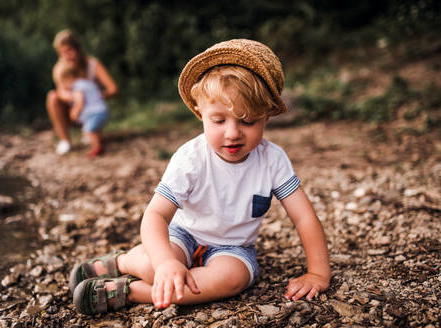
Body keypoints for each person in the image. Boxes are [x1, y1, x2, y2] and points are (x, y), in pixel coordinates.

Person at [69, 39, 331, 315]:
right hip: (184, 234)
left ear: (266, 117)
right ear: (200, 112)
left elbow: (304, 217)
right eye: (219, 121)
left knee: (232, 279)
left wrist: (317, 273)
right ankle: (121, 263)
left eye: (248, 121)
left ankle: (129, 292)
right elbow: (155, 216)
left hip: (232, 247)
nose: (232, 133)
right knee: (152, 264)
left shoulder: (272, 160)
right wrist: (167, 263)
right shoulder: (191, 158)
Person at [47, 29, 118, 155]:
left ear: (78, 48)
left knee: (93, 127)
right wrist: (76, 98)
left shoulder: (92, 64)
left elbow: (113, 89)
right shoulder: (60, 69)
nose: (67, 56)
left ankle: (92, 135)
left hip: (92, 111)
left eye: (69, 50)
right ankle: (65, 141)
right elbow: (60, 92)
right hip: (73, 113)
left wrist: (96, 95)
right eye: (62, 53)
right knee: (52, 97)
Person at [58, 64, 109, 157]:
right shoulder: (88, 83)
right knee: (95, 129)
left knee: (88, 130)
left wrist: (75, 112)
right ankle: (100, 142)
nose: (66, 87)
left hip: (93, 112)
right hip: (103, 110)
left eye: (64, 83)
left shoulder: (77, 86)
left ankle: (97, 148)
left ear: (69, 78)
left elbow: (79, 101)